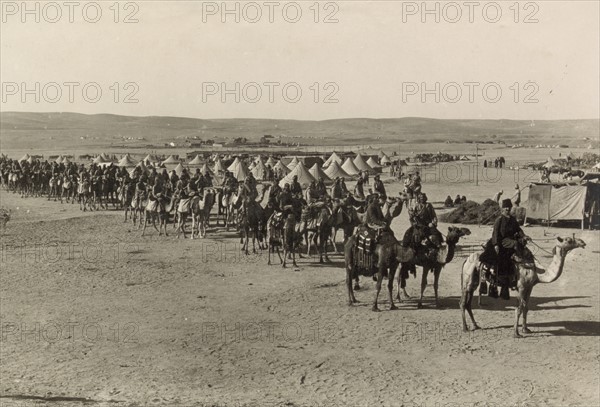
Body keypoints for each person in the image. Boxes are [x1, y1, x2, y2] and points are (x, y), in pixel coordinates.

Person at [489, 198, 529, 300]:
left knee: (521, 243)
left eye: (509, 207)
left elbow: (518, 230)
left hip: (510, 240)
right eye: (506, 207)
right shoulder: (499, 220)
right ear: (503, 209)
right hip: (502, 241)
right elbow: (495, 233)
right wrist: (495, 244)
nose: (507, 209)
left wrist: (524, 236)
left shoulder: (513, 220)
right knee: (515, 243)